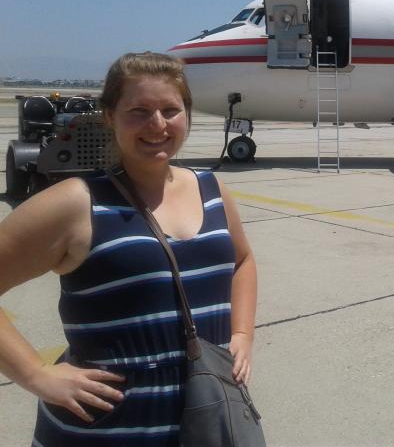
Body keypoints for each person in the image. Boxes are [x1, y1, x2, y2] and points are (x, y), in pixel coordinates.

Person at [0, 52, 258, 446]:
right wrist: (34, 374)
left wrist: (241, 334)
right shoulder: (77, 202)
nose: (157, 125)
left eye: (171, 110)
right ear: (109, 116)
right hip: (105, 432)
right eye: (139, 111)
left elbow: (241, 260)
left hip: (204, 424)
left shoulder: (212, 190)